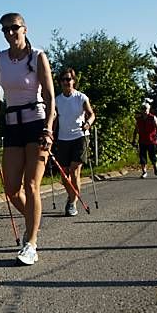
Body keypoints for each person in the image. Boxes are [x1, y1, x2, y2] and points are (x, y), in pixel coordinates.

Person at [0, 12, 56, 265]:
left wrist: (49, 128)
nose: (9, 33)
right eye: (4, 29)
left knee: (31, 185)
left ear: (24, 29)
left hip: (37, 123)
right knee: (11, 189)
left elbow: (50, 97)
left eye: (13, 28)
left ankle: (31, 243)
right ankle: (33, 219)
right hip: (12, 125)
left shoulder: (38, 57)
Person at [54, 68, 95, 216]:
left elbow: (91, 114)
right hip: (63, 138)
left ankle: (72, 203)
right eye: (63, 80)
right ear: (60, 83)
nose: (66, 82)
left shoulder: (81, 97)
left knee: (74, 171)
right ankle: (71, 197)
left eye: (69, 79)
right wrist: (50, 134)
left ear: (73, 81)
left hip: (80, 137)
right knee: (64, 175)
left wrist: (88, 124)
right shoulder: (57, 100)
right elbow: (54, 119)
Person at [132, 101, 157, 178]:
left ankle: (155, 165)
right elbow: (136, 130)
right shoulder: (139, 119)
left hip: (152, 140)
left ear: (148, 109)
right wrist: (134, 139)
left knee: (153, 156)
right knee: (142, 157)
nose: (144, 111)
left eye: (145, 109)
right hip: (142, 141)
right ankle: (144, 172)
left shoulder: (152, 118)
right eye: (142, 109)